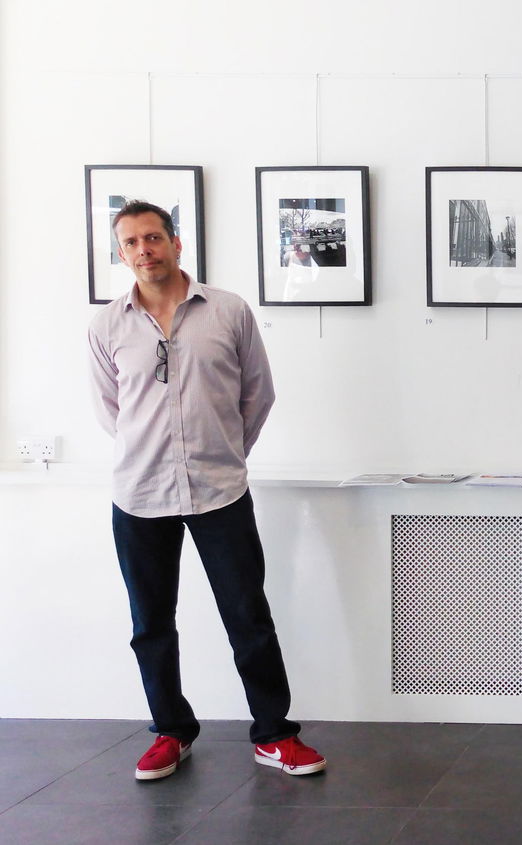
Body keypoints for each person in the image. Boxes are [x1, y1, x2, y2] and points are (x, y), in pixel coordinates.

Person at [87, 200, 326, 781]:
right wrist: (152, 450)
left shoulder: (228, 311)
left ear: (175, 243)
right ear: (122, 254)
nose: (143, 250)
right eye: (130, 242)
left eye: (152, 237)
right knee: (151, 623)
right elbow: (110, 410)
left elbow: (258, 393)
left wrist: (225, 451)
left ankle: (274, 734)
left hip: (220, 491)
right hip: (139, 495)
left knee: (247, 614)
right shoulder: (107, 326)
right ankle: (170, 732)